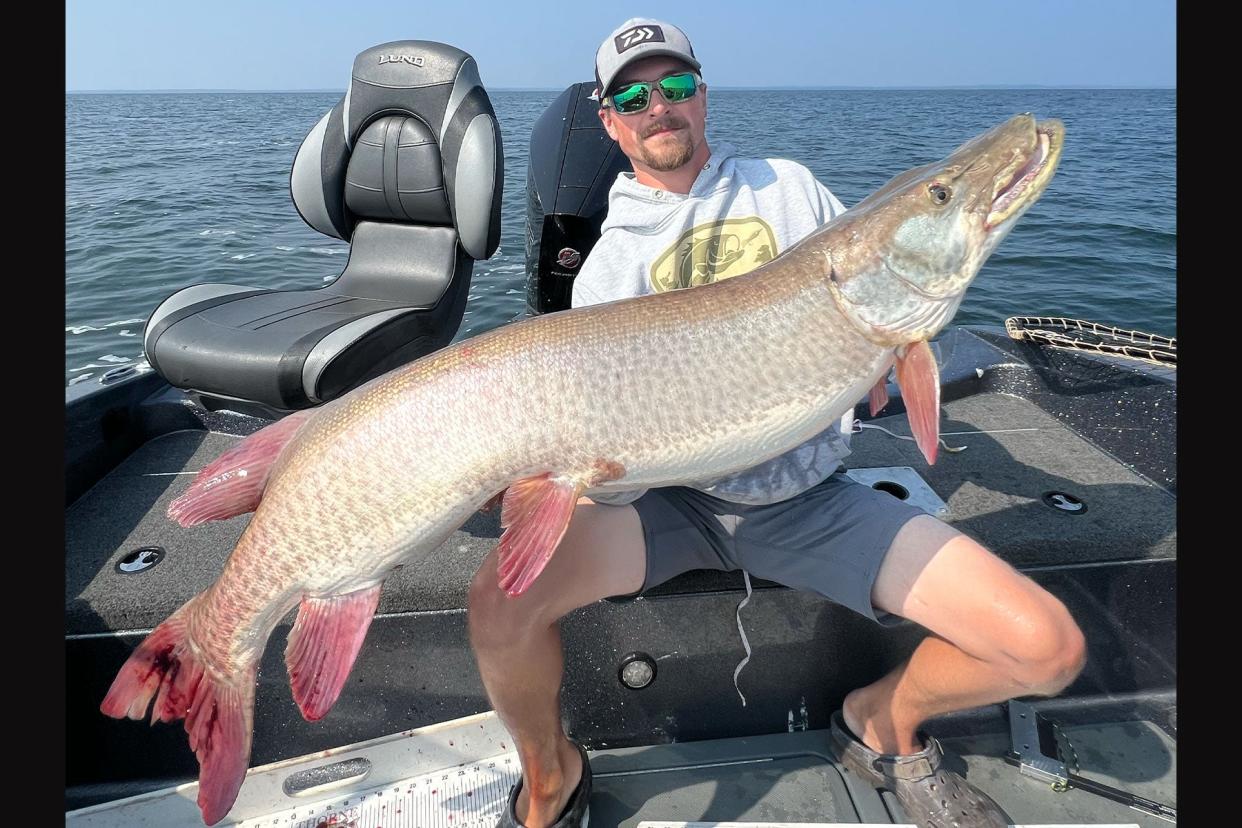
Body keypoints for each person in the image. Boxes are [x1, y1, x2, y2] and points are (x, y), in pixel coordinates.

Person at [470, 18, 1087, 828]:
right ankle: (552, 772)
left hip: (809, 496)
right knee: (497, 606)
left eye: (677, 86)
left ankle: (883, 718)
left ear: (702, 96)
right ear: (610, 120)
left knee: (1048, 648)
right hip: (669, 502)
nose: (660, 105)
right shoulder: (609, 265)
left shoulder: (789, 187)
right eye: (633, 93)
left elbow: (873, 306)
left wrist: (896, 337)